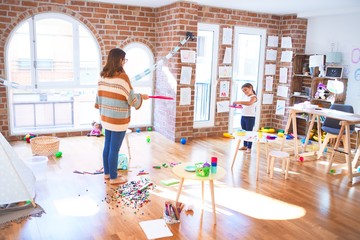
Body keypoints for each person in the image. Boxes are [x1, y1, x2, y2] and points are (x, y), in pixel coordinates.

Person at [95, 48, 149, 185]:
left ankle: (107, 174)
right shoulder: (122, 77)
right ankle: (114, 178)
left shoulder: (103, 75)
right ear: (119, 60)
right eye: (124, 60)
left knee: (107, 146)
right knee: (114, 149)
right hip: (118, 120)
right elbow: (132, 100)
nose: (124, 63)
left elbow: (99, 96)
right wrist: (141, 97)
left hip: (106, 117)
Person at [233, 83, 257, 153]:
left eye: (245, 90)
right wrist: (239, 105)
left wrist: (239, 102)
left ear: (250, 88)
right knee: (244, 132)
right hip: (243, 116)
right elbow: (244, 105)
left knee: (249, 132)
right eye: (243, 91)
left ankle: (249, 148)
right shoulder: (245, 96)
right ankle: (245, 145)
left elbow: (249, 103)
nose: (245, 92)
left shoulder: (253, 97)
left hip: (250, 117)